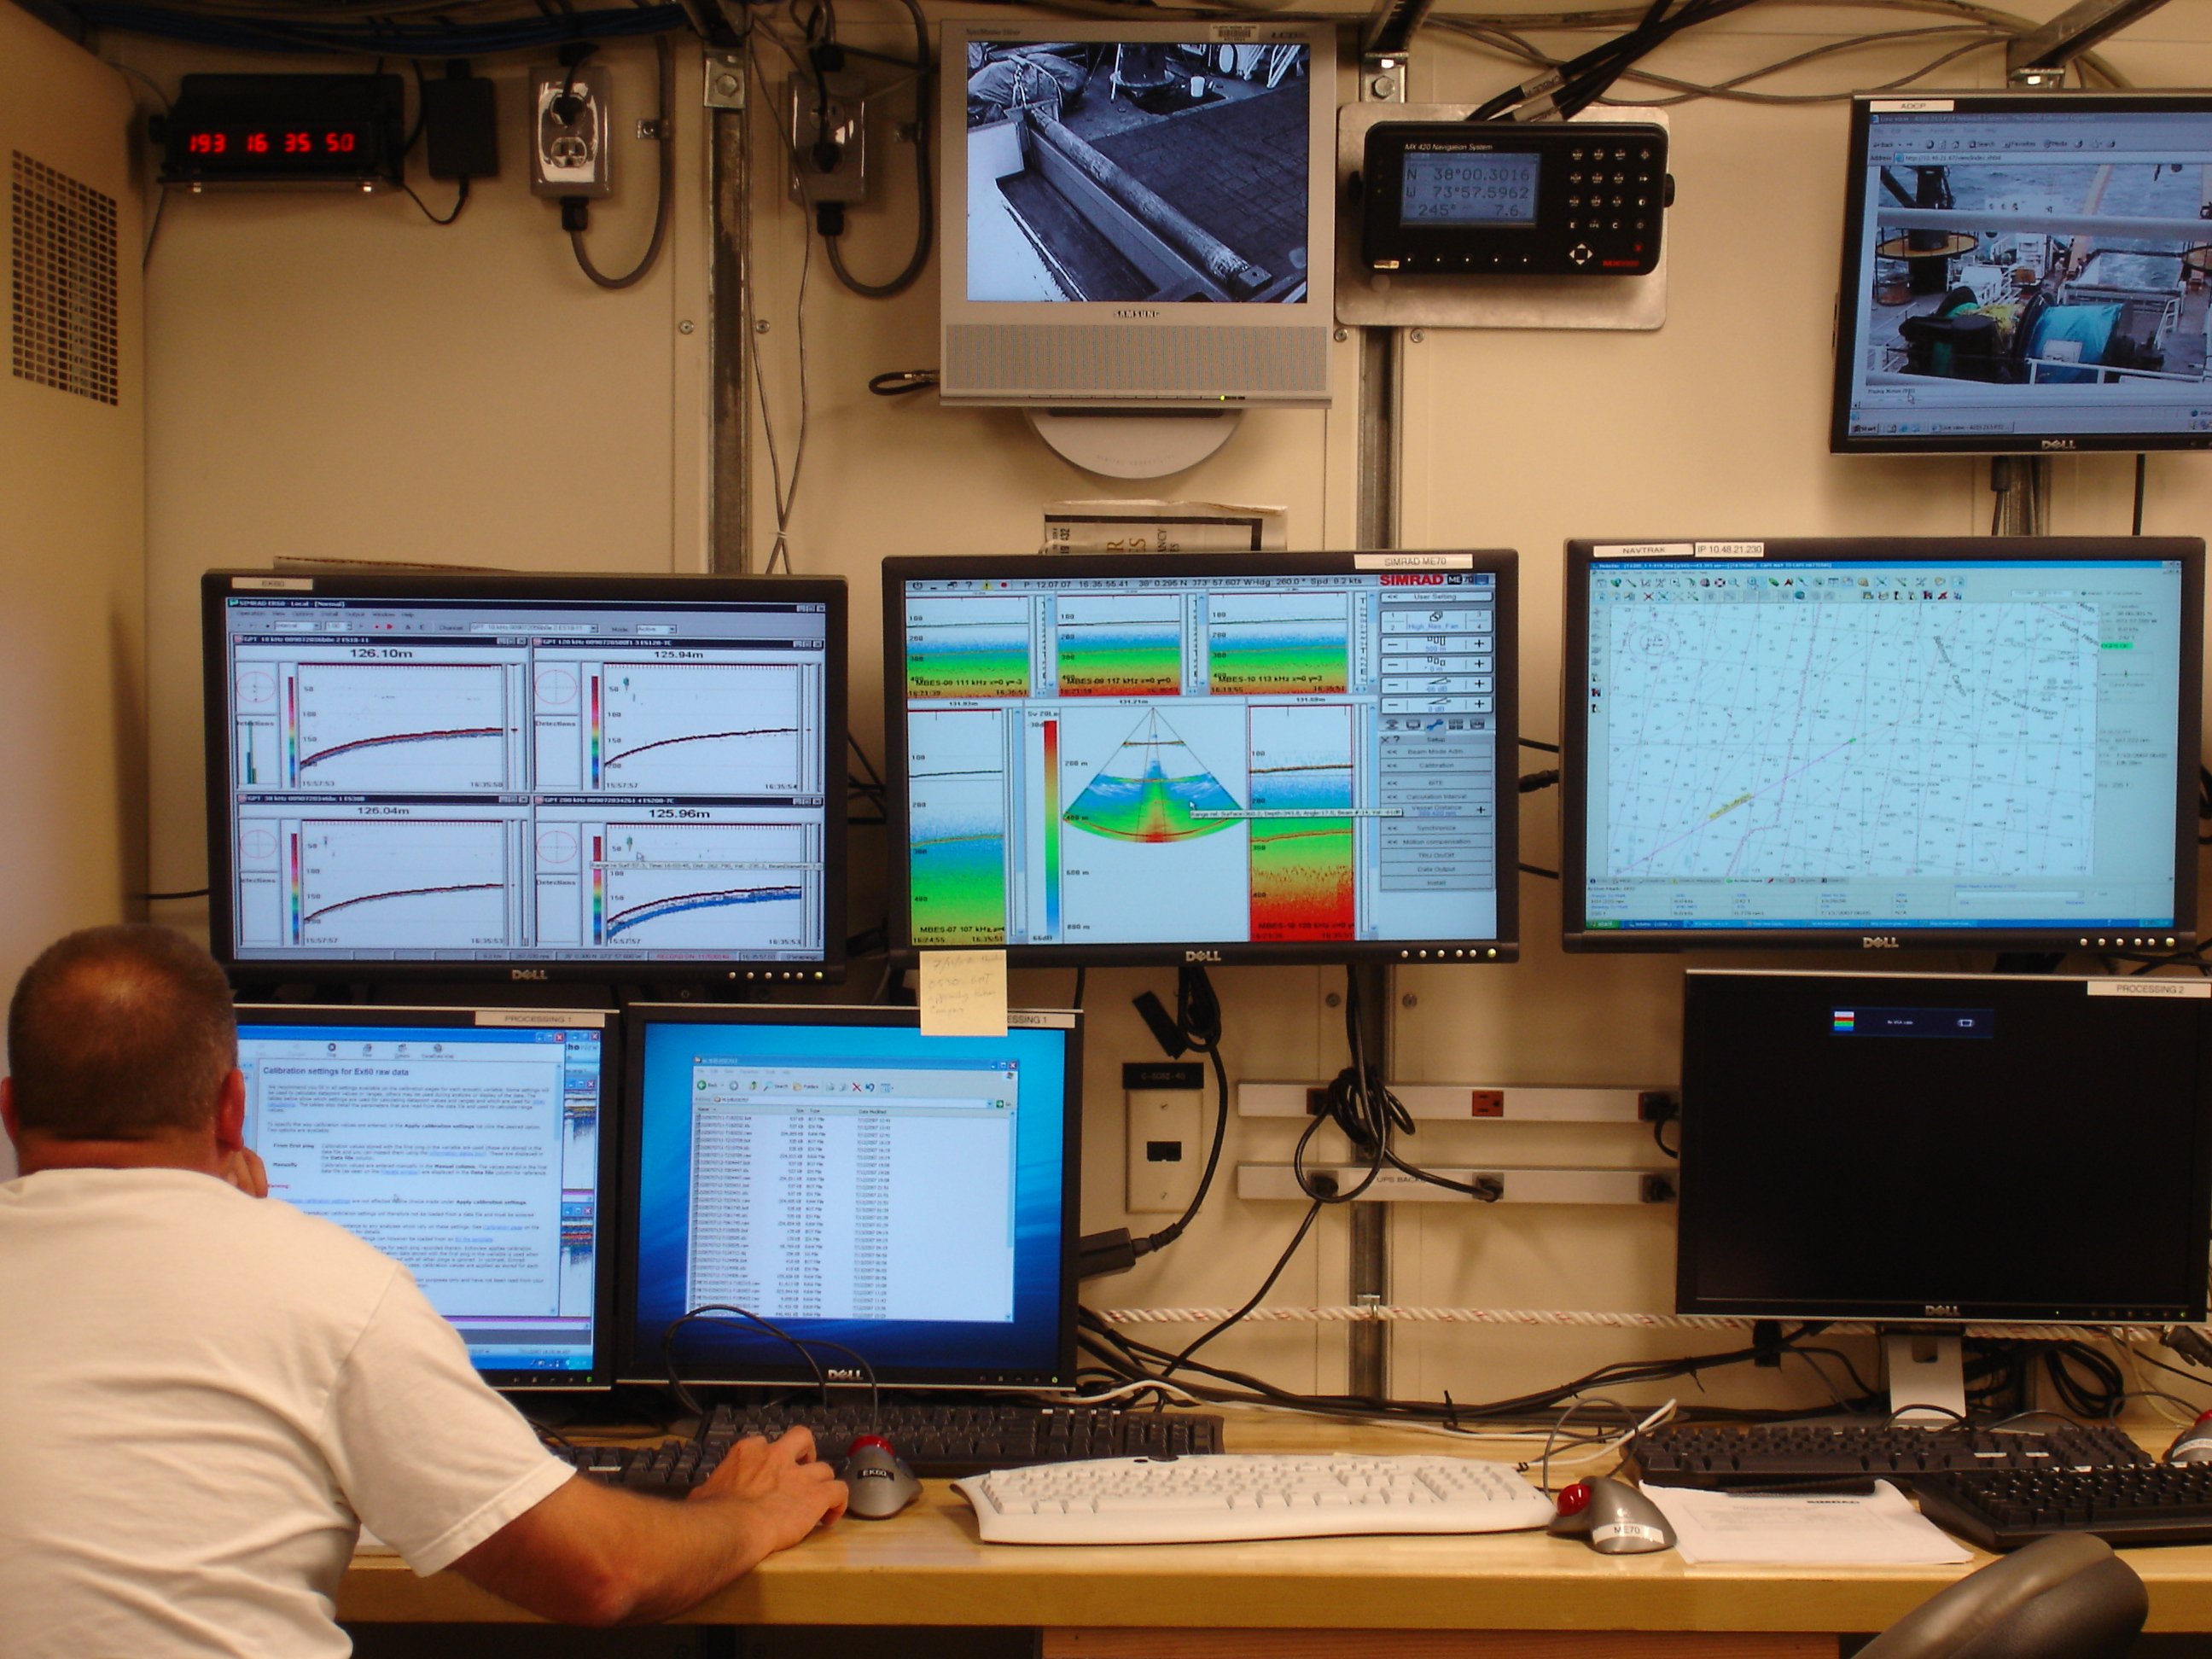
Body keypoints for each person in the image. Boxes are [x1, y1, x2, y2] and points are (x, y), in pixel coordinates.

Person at [0, 924, 846, 1656]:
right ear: (232, 1109)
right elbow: (601, 1576)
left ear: (9, 1111)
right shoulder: (323, 1286)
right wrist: (750, 1514)